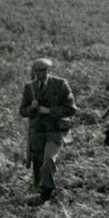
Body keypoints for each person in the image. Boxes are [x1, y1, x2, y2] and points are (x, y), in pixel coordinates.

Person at [19, 57, 76, 204]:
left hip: (55, 131)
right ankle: (40, 197)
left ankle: (46, 193)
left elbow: (71, 109)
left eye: (43, 70)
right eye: (37, 71)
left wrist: (49, 111)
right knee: (38, 164)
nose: (40, 74)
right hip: (37, 132)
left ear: (49, 70)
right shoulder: (29, 87)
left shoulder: (60, 84)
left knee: (48, 160)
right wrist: (31, 108)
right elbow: (23, 111)